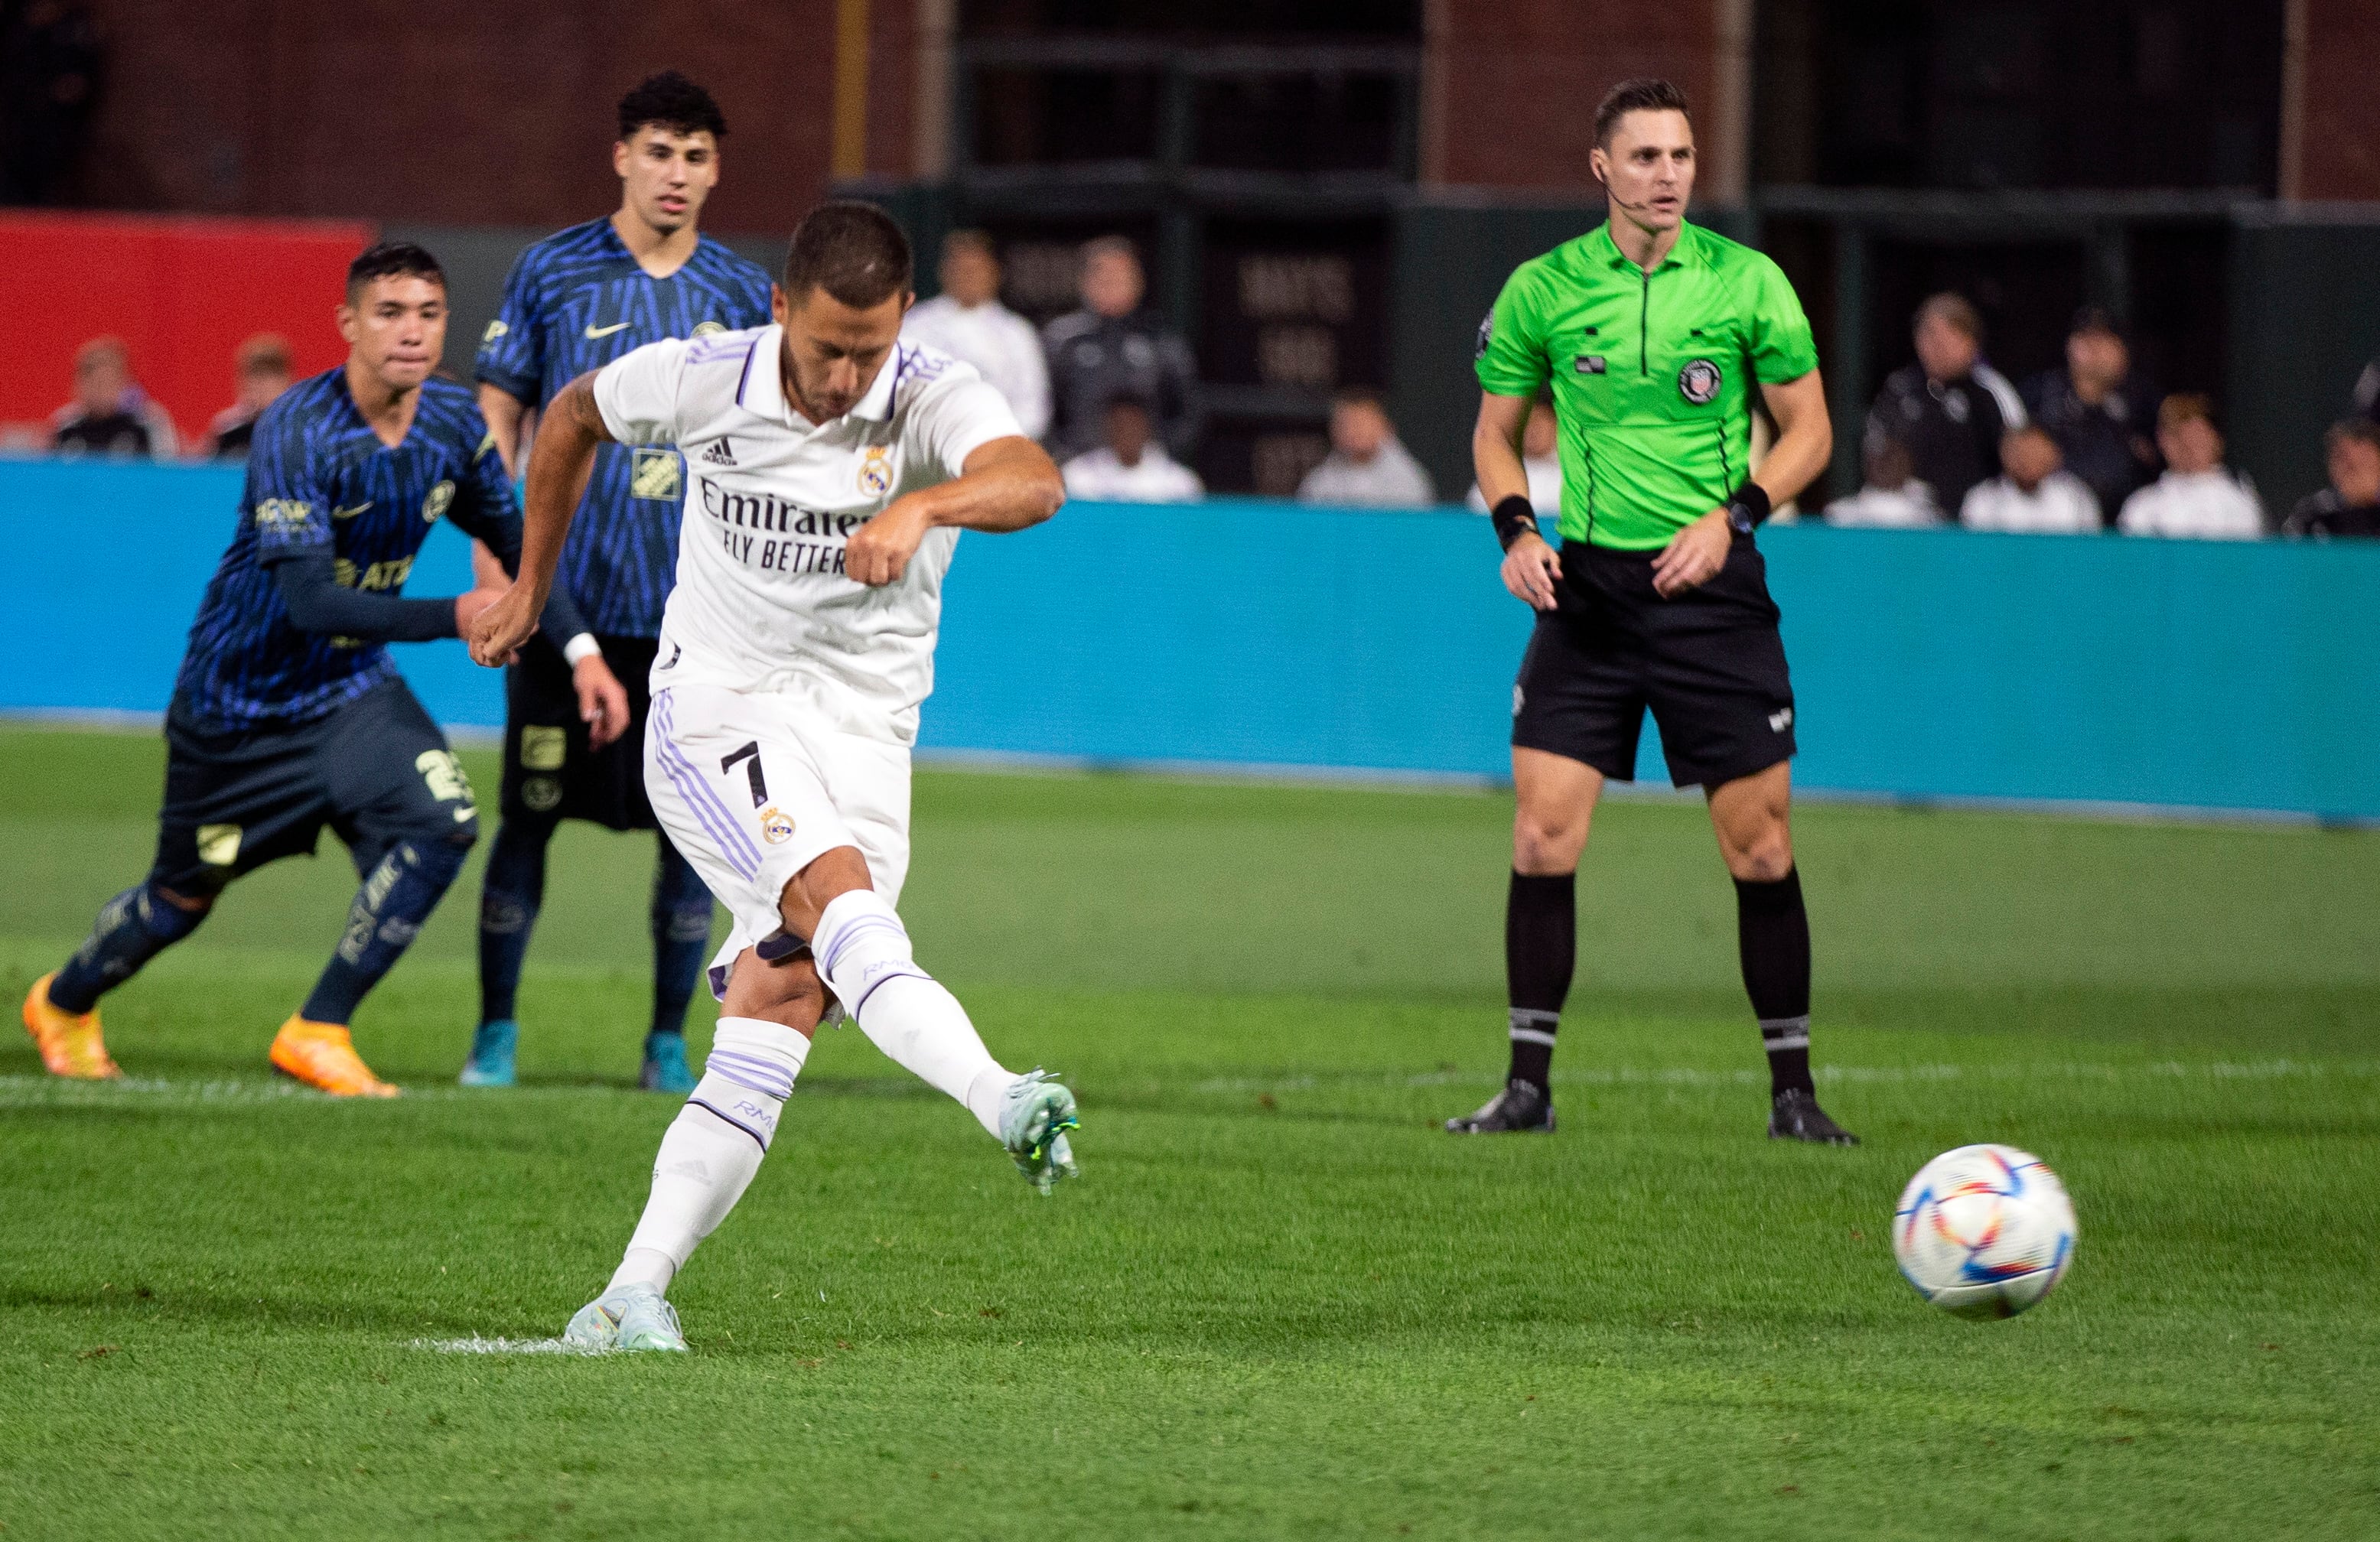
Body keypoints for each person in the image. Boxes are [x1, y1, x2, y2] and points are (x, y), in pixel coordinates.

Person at [467, 202, 1079, 1355]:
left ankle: (628, 1295)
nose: (848, 374)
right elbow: (569, 416)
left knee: (785, 997)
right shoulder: (705, 376)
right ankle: (999, 1093)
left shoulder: (926, 393)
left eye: (871, 348)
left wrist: (925, 500)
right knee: (838, 903)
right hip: (718, 708)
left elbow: (1032, 479)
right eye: (826, 347)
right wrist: (531, 591)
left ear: (902, 320)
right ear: (780, 307)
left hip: (863, 737)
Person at [18, 242, 595, 1096]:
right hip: (237, 707)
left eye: (429, 314)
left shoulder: (452, 425)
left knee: (442, 823)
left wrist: (580, 651)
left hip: (348, 693)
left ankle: (318, 1027)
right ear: (349, 325)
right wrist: (455, 615)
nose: (412, 332)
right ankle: (64, 1002)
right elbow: (311, 605)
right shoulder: (299, 428)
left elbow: (521, 548)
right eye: (390, 313)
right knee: (180, 900)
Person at [1458, 77, 1855, 1145]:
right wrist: (1514, 530)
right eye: (1643, 158)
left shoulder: (1745, 283)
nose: (1666, 176)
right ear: (1601, 168)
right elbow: (1494, 433)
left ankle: (1792, 1096)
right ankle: (1525, 1091)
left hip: (1711, 592)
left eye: (1679, 157)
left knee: (1759, 847)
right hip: (1583, 589)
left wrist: (1736, 516)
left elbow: (1810, 430)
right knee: (1541, 834)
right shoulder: (1542, 289)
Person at [464, 71, 776, 1094]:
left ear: (715, 169)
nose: (674, 173)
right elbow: (498, 415)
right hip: (564, 604)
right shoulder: (552, 272)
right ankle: (495, 1036)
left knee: (691, 835)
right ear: (621, 157)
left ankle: (665, 1041)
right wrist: (494, 560)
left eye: (694, 155)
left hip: (695, 615)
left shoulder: (737, 292)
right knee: (529, 813)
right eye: (657, 151)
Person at [1867, 293, 2024, 519]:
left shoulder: (1991, 391)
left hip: (1980, 517)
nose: (1939, 344)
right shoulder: (1900, 389)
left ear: (1972, 342)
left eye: (1952, 334)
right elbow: (1877, 453)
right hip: (1913, 516)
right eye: (1930, 333)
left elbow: (2021, 456)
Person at [1041, 236, 1197, 463]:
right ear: (1085, 283)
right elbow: (1043, 408)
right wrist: (1065, 456)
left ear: (1139, 282)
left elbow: (1186, 412)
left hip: (1146, 472)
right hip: (1080, 471)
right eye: (1104, 277)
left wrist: (1156, 457)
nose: (1112, 284)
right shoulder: (1062, 339)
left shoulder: (1161, 340)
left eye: (1121, 277)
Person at [900, 230, 1050, 441]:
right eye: (960, 270)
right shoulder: (915, 325)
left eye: (975, 270)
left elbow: (1033, 408)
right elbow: (898, 393)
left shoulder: (1016, 331)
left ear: (995, 273)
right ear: (943, 272)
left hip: (999, 451)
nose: (967, 278)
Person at [2023, 307, 2159, 527]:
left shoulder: (2142, 400)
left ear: (2122, 351)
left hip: (2127, 522)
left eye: (2104, 340)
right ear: (2069, 346)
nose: (2094, 348)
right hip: (2057, 517)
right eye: (2085, 339)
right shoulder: (2040, 393)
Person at [2116, 395, 2264, 540]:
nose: (2189, 445)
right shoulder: (2143, 506)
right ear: (2163, 441)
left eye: (2198, 436)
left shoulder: (2238, 503)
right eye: (2177, 436)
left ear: (2216, 440)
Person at [1297, 389, 1435, 507]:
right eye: (1348, 424)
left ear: (1386, 428)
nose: (1357, 431)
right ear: (1334, 431)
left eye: (1364, 423)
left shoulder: (1409, 481)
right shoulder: (1319, 483)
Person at [1060, 394, 1204, 503]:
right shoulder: (1077, 475)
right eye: (1120, 427)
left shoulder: (1179, 482)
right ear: (1107, 429)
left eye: (1133, 426)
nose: (1127, 433)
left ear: (1147, 428)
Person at [50, 336, 178, 458]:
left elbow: (167, 472)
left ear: (127, 383)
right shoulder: (64, 425)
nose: (101, 392)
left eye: (109, 382)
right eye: (94, 382)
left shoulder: (149, 423)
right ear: (78, 385)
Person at [1960, 425, 2101, 533]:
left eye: (2036, 453)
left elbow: (2089, 552)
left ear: (2054, 456)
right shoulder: (1983, 499)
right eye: (2021, 453)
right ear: (2005, 454)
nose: (2028, 460)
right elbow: (1975, 553)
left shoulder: (2075, 497)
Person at [203, 333, 295, 461]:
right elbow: (208, 474)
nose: (260, 385)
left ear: (288, 380)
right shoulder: (227, 431)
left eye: (270, 376)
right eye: (254, 375)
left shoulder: (302, 429)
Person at [2283, 419, 2380, 538]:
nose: (2353, 468)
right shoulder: (2313, 514)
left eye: (2363, 459)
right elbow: (2289, 552)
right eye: (2342, 458)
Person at [1467, 398, 1562, 515]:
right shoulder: (1498, 474)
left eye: (1540, 420)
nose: (1533, 429)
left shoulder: (1575, 471)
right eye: (1526, 421)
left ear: (1556, 422)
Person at [1825, 435, 1942, 528]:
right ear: (1866, 464)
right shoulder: (1840, 516)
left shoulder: (1931, 521)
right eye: (1879, 456)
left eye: (1893, 456)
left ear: (1908, 464)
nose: (1885, 463)